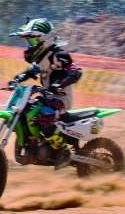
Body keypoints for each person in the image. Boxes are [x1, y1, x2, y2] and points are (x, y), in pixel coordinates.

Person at [9, 18, 82, 169]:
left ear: (45, 39)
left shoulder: (59, 55)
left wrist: (60, 84)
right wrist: (17, 79)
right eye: (29, 42)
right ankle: (36, 145)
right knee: (27, 111)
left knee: (44, 115)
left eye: (33, 41)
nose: (30, 46)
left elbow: (76, 72)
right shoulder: (41, 59)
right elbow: (31, 71)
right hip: (47, 97)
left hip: (61, 98)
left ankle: (64, 150)